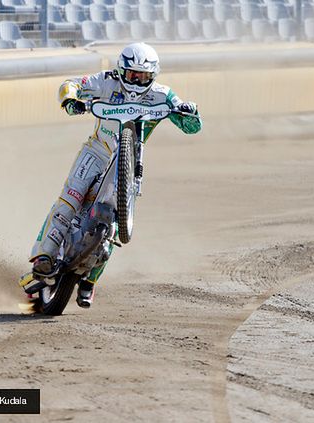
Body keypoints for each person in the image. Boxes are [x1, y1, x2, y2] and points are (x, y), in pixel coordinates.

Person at [20, 42, 202, 308]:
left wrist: (190, 110)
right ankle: (44, 256)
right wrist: (71, 100)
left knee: (115, 223)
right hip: (96, 152)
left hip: (129, 160)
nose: (137, 81)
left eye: (143, 76)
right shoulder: (105, 82)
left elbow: (191, 126)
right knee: (70, 199)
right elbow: (71, 85)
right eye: (132, 75)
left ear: (154, 76)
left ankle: (90, 281)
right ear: (121, 71)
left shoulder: (163, 95)